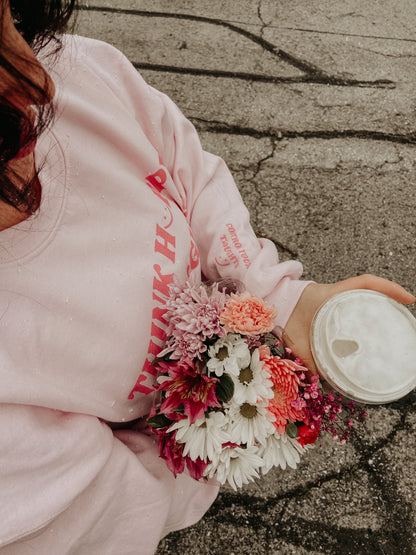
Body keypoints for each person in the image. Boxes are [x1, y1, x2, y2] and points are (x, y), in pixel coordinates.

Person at [0, 1, 414, 553]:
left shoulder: (76, 72)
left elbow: (185, 165)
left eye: (6, 27)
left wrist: (276, 295)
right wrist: (223, 433)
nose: (37, 87)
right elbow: (116, 504)